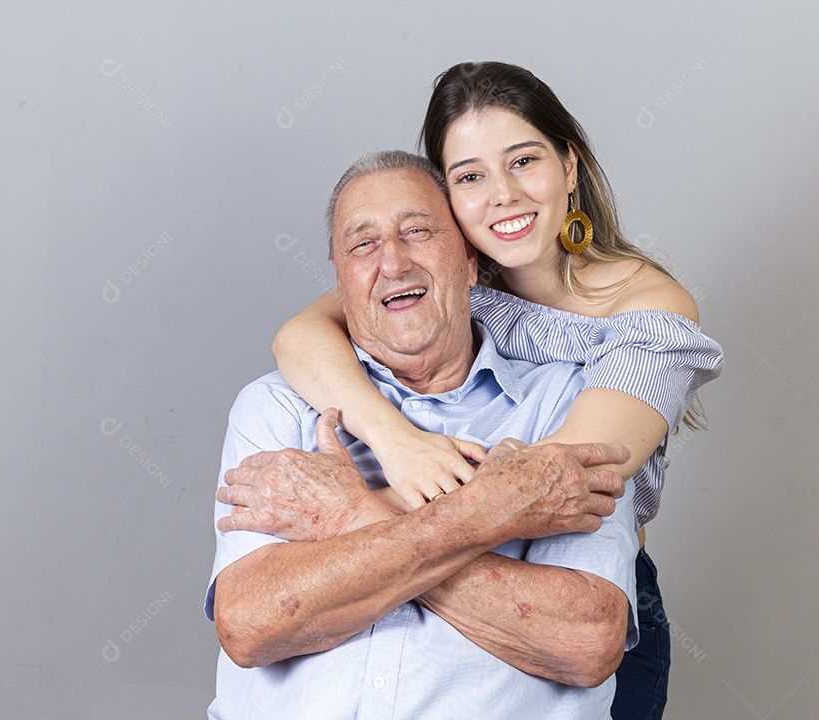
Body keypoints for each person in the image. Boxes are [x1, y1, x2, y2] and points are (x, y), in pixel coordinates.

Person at [272, 62, 724, 718]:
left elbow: (549, 483)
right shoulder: (452, 277)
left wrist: (347, 519)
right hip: (447, 577)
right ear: (445, 199)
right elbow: (300, 336)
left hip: (571, 594)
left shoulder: (650, 308)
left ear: (569, 166)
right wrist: (394, 441)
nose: (502, 196)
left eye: (523, 161)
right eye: (470, 177)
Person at [206, 150, 642, 719]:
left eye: (417, 231)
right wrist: (487, 511)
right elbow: (251, 624)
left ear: (469, 259)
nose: (392, 261)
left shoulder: (567, 403)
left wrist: (345, 518)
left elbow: (585, 641)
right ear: (338, 275)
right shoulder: (276, 406)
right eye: (363, 244)